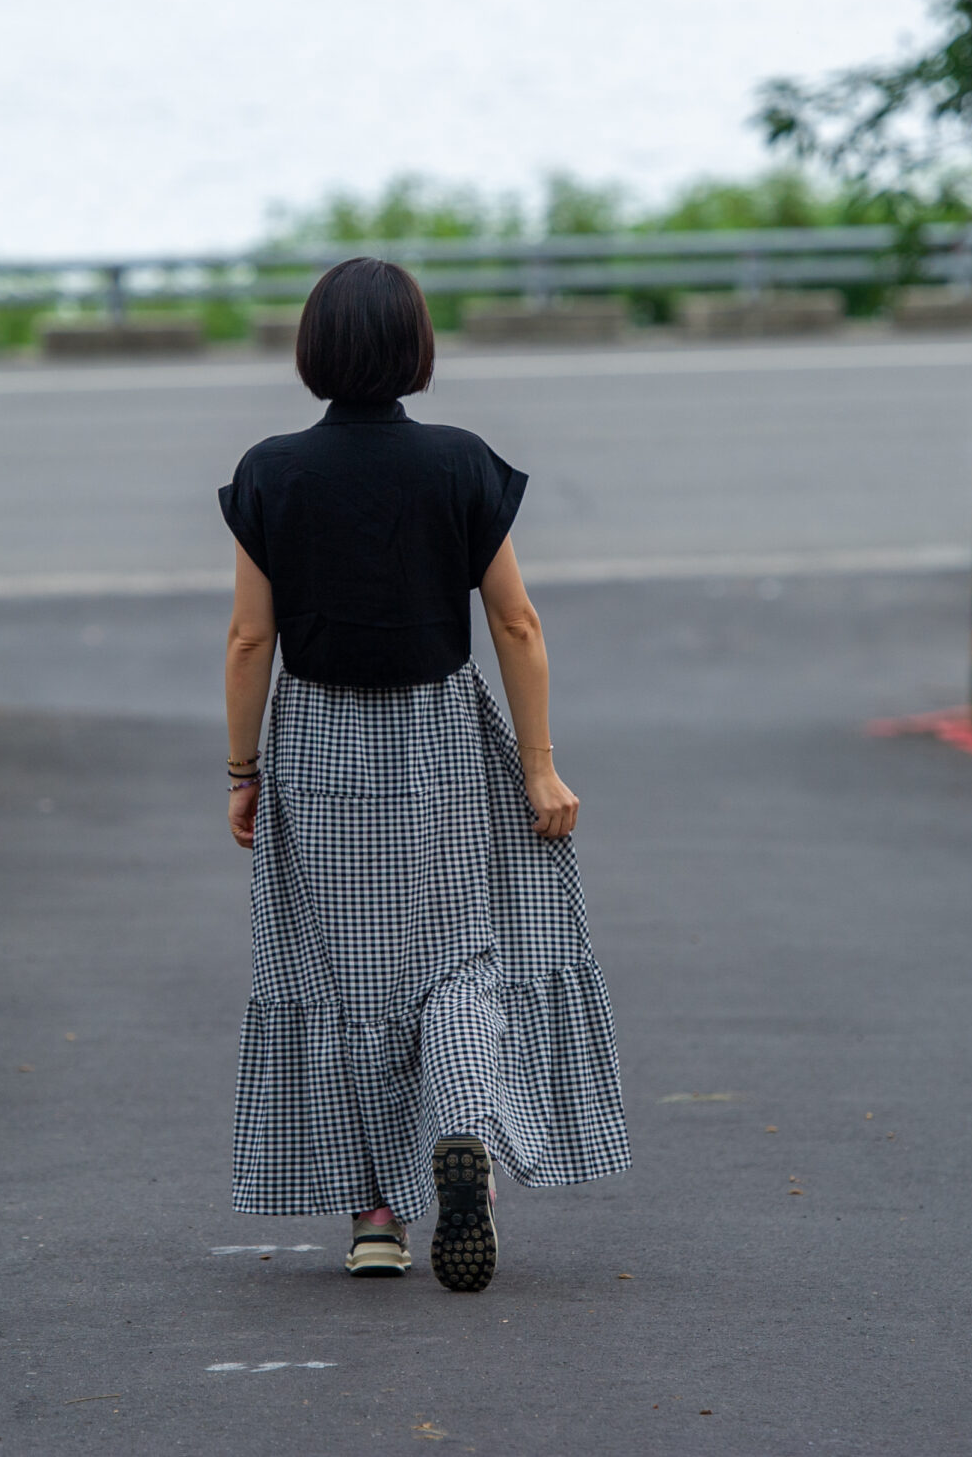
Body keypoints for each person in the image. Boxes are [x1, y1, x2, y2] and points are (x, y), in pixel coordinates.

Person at [219, 257, 631, 1293]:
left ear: (313, 350)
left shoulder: (270, 472)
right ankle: (461, 1136)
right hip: (437, 738)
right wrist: (537, 768)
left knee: (338, 974)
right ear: (416, 350)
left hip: (313, 743)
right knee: (458, 959)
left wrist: (242, 770)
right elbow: (516, 623)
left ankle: (371, 1218)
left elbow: (245, 639)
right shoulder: (459, 464)